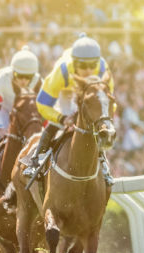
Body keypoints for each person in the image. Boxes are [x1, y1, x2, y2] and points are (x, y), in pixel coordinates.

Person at [23, 34, 116, 185]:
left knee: (95, 126)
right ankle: (36, 160)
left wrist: (104, 120)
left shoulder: (103, 71)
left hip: (90, 95)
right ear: (74, 62)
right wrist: (61, 118)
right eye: (83, 66)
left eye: (92, 65)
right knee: (63, 120)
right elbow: (42, 104)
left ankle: (103, 165)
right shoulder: (62, 71)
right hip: (66, 93)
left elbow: (109, 104)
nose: (88, 70)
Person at [0, 46, 42, 178]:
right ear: (13, 71)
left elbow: (42, 109)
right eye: (19, 76)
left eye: (28, 77)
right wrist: (0, 126)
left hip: (26, 115)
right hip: (3, 111)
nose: (24, 81)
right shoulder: (0, 79)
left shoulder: (40, 82)